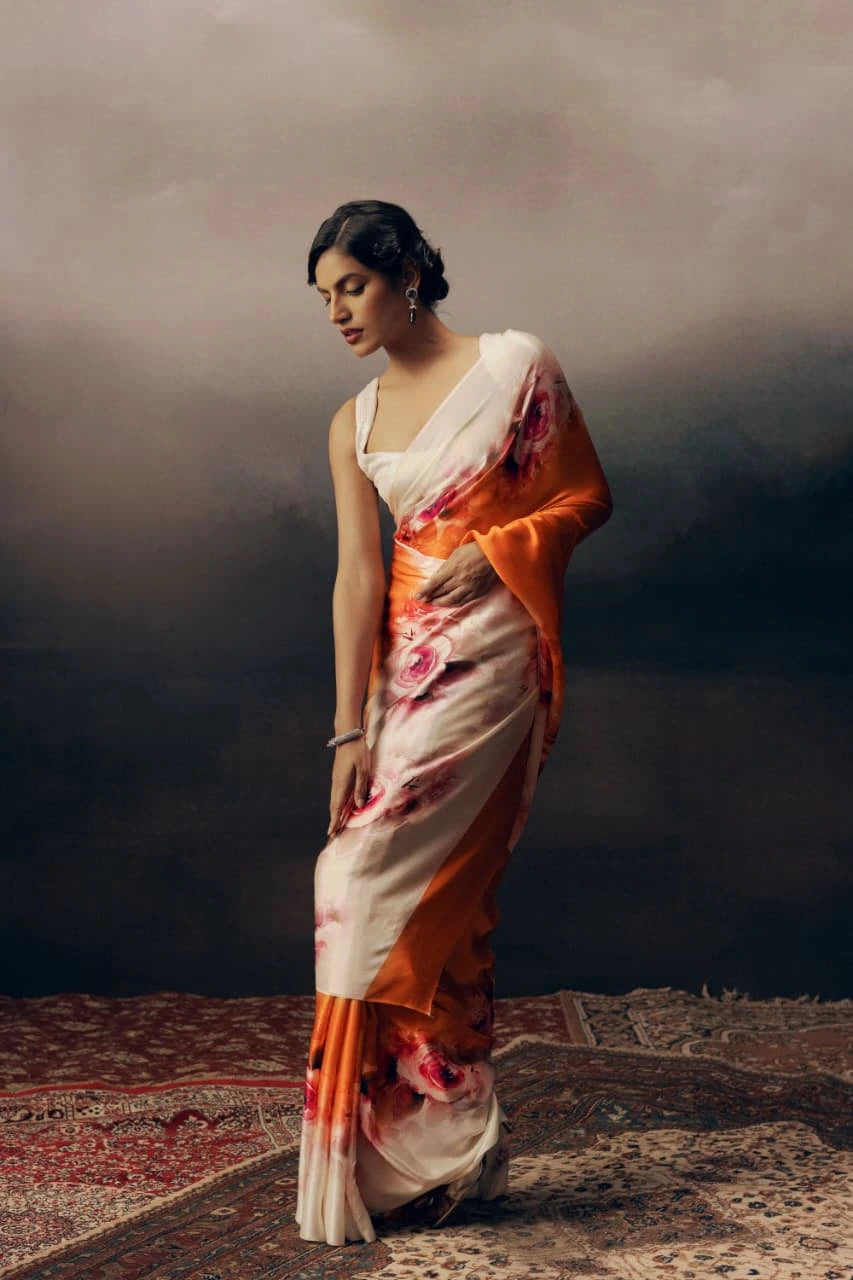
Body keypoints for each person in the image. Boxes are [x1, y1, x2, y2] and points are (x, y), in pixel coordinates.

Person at [295, 199, 613, 1245]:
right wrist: (348, 730)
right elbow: (354, 577)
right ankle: (434, 1148)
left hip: (492, 657)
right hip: (406, 665)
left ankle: (428, 1142)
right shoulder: (352, 422)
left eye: (353, 286)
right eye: (325, 297)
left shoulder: (516, 365)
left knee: (378, 882)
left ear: (409, 274)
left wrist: (500, 546)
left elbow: (585, 496)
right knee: (382, 888)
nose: (339, 312)